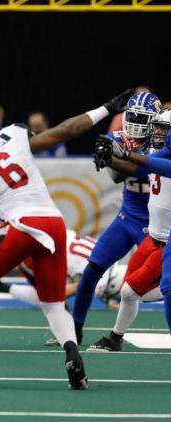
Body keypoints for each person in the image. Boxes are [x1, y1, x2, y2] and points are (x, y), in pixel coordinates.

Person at [0, 89, 133, 390]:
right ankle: (74, 358)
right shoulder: (13, 134)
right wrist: (105, 108)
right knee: (53, 304)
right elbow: (64, 131)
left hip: (22, 225)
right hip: (55, 224)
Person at [72, 91, 160, 344]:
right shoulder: (118, 137)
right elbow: (116, 177)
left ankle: (116, 337)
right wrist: (109, 157)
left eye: (142, 118)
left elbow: (145, 168)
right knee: (92, 269)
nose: (135, 122)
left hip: (154, 226)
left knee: (147, 285)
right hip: (127, 218)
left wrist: (117, 157)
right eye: (132, 116)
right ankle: (75, 328)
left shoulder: (163, 143)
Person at [92, 108, 171, 342]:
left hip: (167, 242)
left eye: (164, 128)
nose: (157, 131)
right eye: (157, 126)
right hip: (154, 238)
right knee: (127, 292)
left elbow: (156, 166)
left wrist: (123, 153)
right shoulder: (164, 151)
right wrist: (113, 158)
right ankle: (116, 338)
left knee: (162, 289)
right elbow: (140, 167)